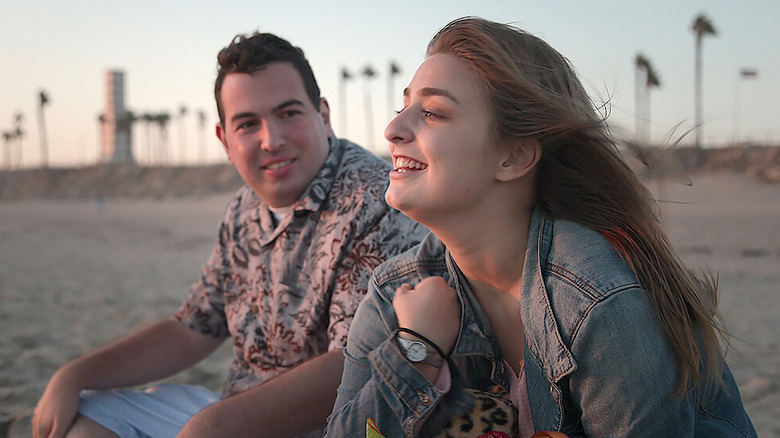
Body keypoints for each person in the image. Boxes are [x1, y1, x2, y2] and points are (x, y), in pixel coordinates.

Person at [324, 17, 757, 438]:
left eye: (434, 113)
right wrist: (413, 349)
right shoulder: (394, 293)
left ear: (513, 158)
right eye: (404, 107)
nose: (393, 129)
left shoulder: (600, 303)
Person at [32, 32, 428, 438]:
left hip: (335, 425)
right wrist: (75, 375)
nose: (271, 140)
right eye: (247, 124)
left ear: (323, 116)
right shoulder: (244, 208)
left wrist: (215, 426)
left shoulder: (374, 199)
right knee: (83, 418)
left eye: (289, 113)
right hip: (232, 410)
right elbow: (194, 327)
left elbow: (354, 364)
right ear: (225, 140)